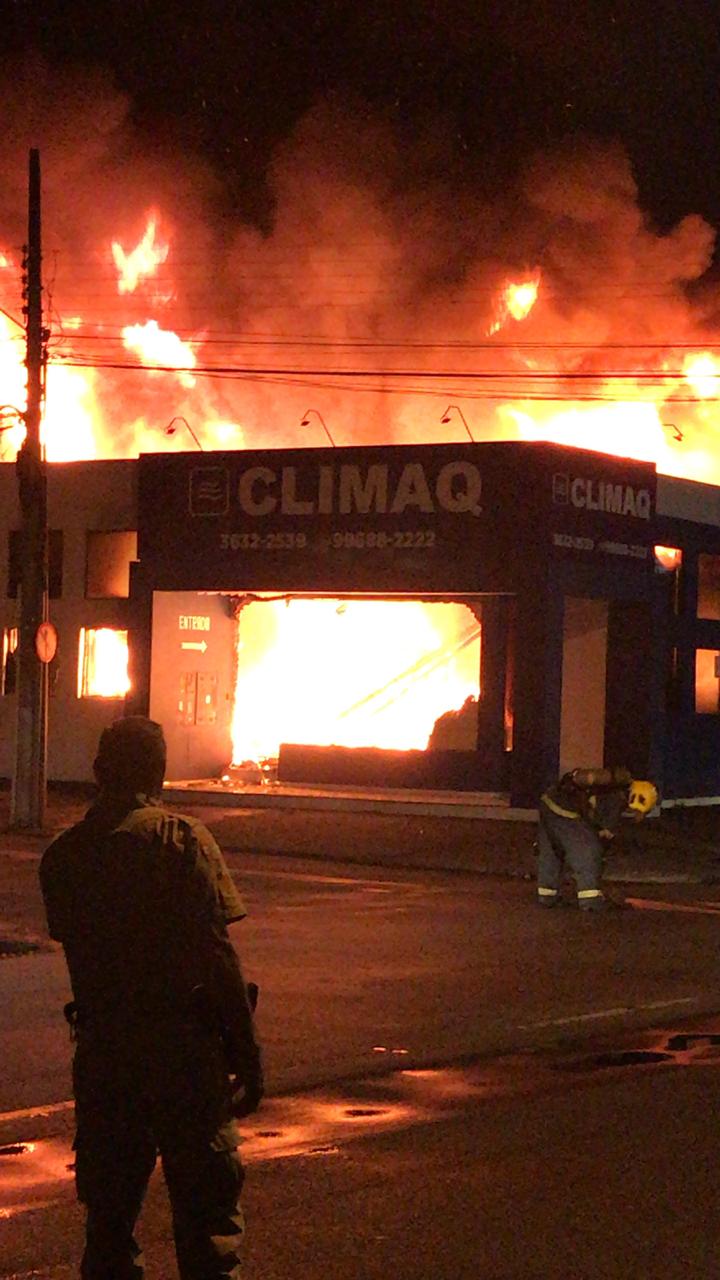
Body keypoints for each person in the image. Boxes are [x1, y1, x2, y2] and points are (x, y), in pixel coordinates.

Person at [39, 715, 263, 1280]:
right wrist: (247, 1054)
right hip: (184, 1060)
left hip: (107, 1056)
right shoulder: (184, 841)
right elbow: (218, 959)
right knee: (208, 1232)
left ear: (97, 772)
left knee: (109, 1231)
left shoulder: (63, 858)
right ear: (160, 775)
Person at [536, 766, 658, 911]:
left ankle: (547, 895)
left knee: (551, 852)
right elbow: (602, 831)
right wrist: (602, 848)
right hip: (567, 811)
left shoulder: (611, 786)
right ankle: (590, 900)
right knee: (589, 852)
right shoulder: (617, 797)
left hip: (549, 801)